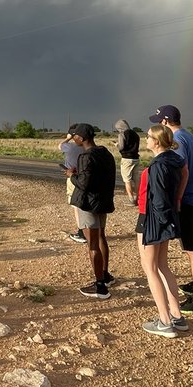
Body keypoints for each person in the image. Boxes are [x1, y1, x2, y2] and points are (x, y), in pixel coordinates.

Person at [149, 104, 193, 316]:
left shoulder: (178, 141)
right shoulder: (190, 136)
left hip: (189, 201)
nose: (159, 124)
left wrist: (176, 199)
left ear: (166, 122)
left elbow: (181, 171)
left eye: (159, 121)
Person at [138, 124, 187, 338]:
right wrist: (176, 201)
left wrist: (158, 224)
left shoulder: (158, 164)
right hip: (166, 218)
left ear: (156, 141)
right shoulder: (175, 159)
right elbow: (184, 175)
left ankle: (165, 321)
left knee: (150, 268)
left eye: (148, 136)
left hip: (152, 219)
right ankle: (176, 315)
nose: (145, 139)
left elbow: (157, 199)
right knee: (163, 265)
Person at [67, 123, 117, 299]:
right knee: (101, 238)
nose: (74, 139)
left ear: (82, 138)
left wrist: (71, 175)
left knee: (92, 244)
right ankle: (105, 275)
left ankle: (100, 286)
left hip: (88, 204)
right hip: (102, 203)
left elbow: (83, 183)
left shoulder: (85, 156)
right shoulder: (105, 153)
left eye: (75, 136)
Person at [59, 128, 89, 243]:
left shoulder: (70, 146)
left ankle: (82, 232)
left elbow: (59, 146)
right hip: (85, 177)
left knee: (76, 205)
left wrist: (68, 138)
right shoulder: (86, 147)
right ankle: (89, 229)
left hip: (73, 177)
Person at [114, 119, 141, 206]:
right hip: (136, 158)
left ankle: (131, 199)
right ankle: (137, 198)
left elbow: (121, 147)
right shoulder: (135, 134)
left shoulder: (122, 134)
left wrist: (117, 145)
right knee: (136, 179)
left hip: (126, 159)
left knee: (127, 179)